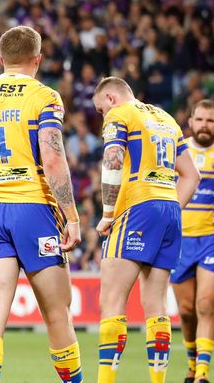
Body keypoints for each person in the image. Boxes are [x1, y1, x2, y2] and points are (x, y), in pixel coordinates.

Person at [0, 26, 83, 383]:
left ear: (0, 59)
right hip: (35, 209)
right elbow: (54, 158)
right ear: (38, 59)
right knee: (57, 312)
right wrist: (71, 216)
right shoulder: (44, 96)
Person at [94, 76, 200, 383]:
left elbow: (112, 161)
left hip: (136, 206)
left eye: (101, 110)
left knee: (112, 300)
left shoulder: (120, 115)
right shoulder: (166, 119)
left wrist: (108, 213)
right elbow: (191, 176)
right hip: (168, 208)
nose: (104, 116)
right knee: (155, 303)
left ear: (111, 99)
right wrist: (168, 210)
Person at [171, 99, 214, 383]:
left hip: (210, 239)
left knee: (206, 304)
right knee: (186, 312)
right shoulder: (178, 150)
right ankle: (191, 362)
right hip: (182, 240)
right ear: (191, 121)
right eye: (200, 120)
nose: (205, 126)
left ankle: (201, 374)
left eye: (210, 121)